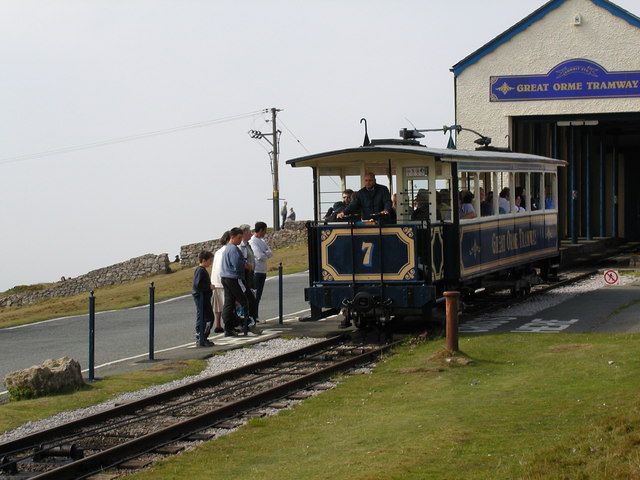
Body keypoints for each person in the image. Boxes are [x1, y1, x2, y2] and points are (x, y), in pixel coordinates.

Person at [220, 227, 248, 336]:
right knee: (244, 301)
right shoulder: (233, 249)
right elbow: (237, 264)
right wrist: (245, 265)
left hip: (226, 277)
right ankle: (245, 325)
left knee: (230, 302)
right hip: (232, 277)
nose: (240, 240)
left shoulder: (227, 248)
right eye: (239, 238)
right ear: (232, 237)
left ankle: (229, 327)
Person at [249, 221, 272, 315]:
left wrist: (265, 253)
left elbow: (270, 252)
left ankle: (256, 314)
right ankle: (254, 315)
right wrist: (265, 253)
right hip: (256, 271)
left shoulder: (262, 241)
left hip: (263, 271)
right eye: (265, 231)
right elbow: (259, 256)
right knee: (255, 294)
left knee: (259, 295)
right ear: (261, 230)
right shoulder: (252, 241)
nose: (265, 233)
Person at [192, 251, 214, 347]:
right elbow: (198, 285)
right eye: (210, 260)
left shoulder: (202, 270)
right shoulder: (200, 270)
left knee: (208, 317)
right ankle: (201, 337)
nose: (211, 262)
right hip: (201, 298)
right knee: (205, 317)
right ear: (204, 260)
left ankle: (204, 337)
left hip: (204, 298)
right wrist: (209, 287)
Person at [210, 231, 230, 335]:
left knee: (217, 306)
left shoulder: (218, 251)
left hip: (215, 280)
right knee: (227, 304)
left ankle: (218, 325)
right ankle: (228, 325)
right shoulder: (228, 250)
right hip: (223, 280)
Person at [239, 224, 258, 327]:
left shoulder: (247, 244)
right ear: (244, 233)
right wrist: (248, 267)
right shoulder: (242, 246)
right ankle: (246, 321)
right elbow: (243, 261)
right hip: (246, 275)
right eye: (249, 231)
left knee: (252, 296)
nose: (251, 233)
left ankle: (251, 319)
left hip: (250, 274)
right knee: (248, 298)